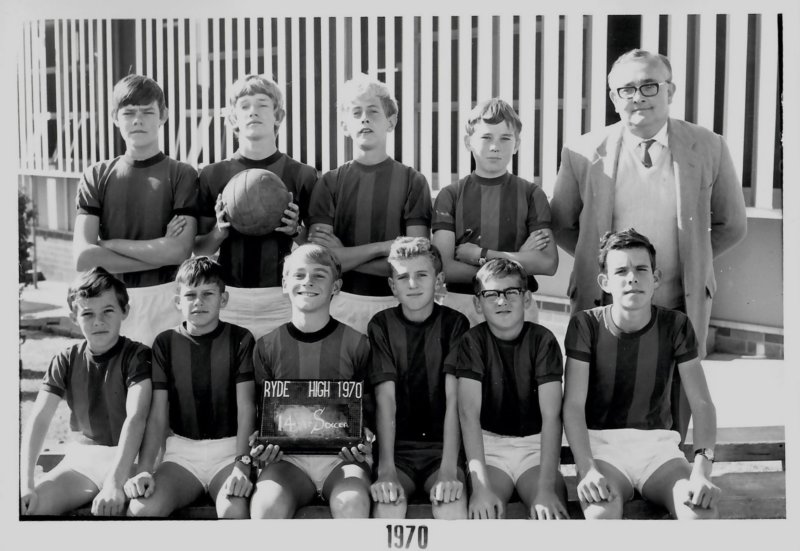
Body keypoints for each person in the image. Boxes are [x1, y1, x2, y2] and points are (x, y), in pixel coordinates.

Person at [550, 49, 747, 437]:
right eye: (627, 89)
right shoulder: (582, 151)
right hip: (604, 303)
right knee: (598, 397)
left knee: (675, 399)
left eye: (649, 86)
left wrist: (691, 262)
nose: (638, 96)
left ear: (670, 91)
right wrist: (607, 269)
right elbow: (562, 223)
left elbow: (732, 225)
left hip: (678, 300)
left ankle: (674, 462)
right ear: (614, 98)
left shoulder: (709, 146)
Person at [562, 229, 720, 519]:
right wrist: (587, 469)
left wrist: (701, 471)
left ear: (656, 278)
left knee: (699, 514)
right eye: (621, 271)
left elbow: (702, 404)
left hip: (659, 450)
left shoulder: (676, 325)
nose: (632, 277)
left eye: (641, 269)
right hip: (603, 449)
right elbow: (572, 405)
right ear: (605, 282)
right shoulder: (586, 325)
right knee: (601, 515)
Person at [72, 74, 199, 347]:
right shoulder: (96, 175)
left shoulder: (182, 174)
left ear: (163, 115)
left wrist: (109, 245)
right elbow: (83, 257)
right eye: (128, 112)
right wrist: (161, 251)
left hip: (167, 300)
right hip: (112, 302)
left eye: (147, 112)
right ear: (115, 117)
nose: (137, 120)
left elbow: (179, 251)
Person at [249, 244, 373, 519]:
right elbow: (263, 415)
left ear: (336, 286)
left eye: (319, 275)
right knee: (266, 506)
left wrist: (365, 439)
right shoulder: (267, 346)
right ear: (285, 283)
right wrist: (260, 444)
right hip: (287, 461)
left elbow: (368, 413)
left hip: (342, 461)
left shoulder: (357, 344)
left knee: (352, 503)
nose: (308, 281)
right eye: (299, 275)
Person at [125, 257, 256, 519]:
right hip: (182, 454)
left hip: (229, 451)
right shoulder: (165, 343)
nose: (198, 302)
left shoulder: (241, 339)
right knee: (142, 510)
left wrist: (242, 464)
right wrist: (145, 469)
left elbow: (246, 408)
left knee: (233, 510)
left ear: (223, 299)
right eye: (190, 295)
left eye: (208, 294)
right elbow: (158, 414)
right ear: (178, 302)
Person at [192, 74, 317, 339]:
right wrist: (219, 232)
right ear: (233, 119)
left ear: (278, 116)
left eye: (262, 104)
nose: (253, 112)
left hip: (283, 296)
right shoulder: (212, 174)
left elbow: (318, 247)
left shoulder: (302, 175)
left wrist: (296, 231)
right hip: (228, 296)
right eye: (245, 106)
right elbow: (199, 248)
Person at [20, 268, 152, 516]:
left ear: (125, 311)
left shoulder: (138, 356)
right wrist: (25, 482)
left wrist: (114, 483)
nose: (98, 321)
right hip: (82, 462)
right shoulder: (65, 359)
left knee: (138, 512)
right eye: (88, 313)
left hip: (129, 460)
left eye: (108, 311)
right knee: (31, 507)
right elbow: (39, 419)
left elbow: (137, 418)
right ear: (73, 317)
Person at [307, 73, 432, 333]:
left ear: (391, 121)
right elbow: (324, 261)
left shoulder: (413, 181)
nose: (364, 118)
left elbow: (414, 262)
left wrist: (344, 257)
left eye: (373, 111)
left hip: (396, 303)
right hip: (341, 303)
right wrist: (384, 247)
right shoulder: (329, 183)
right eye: (356, 112)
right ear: (345, 126)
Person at [446, 258, 568, 520]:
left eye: (511, 292)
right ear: (478, 304)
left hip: (535, 448)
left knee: (550, 513)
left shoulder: (543, 341)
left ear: (526, 298)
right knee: (485, 514)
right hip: (490, 449)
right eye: (491, 294)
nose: (502, 301)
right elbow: (468, 414)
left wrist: (546, 489)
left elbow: (551, 416)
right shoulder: (472, 342)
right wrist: (481, 487)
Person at [368, 237, 469, 519]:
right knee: (388, 505)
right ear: (392, 286)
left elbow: (454, 400)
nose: (412, 284)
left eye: (422, 275)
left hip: (442, 451)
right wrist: (386, 470)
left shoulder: (455, 324)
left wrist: (448, 469)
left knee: (450, 505)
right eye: (403, 277)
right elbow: (386, 400)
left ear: (439, 280)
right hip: (397, 452)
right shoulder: (381, 325)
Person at [433, 98, 557, 327]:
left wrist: (481, 254)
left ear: (517, 144)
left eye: (505, 138)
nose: (495, 146)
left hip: (517, 303)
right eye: (486, 137)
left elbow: (547, 263)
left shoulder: (532, 194)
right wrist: (516, 261)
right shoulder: (450, 195)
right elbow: (444, 268)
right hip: (462, 304)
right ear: (468, 142)